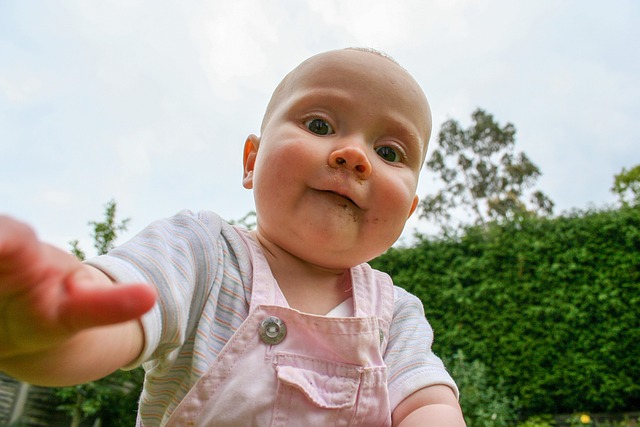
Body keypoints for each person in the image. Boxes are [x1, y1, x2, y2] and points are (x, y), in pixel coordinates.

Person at [0, 48, 466, 426]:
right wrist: (48, 329)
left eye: (388, 151)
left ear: (406, 214)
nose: (352, 155)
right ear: (251, 161)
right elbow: (113, 315)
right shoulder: (200, 253)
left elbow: (428, 405)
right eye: (320, 125)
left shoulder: (396, 315)